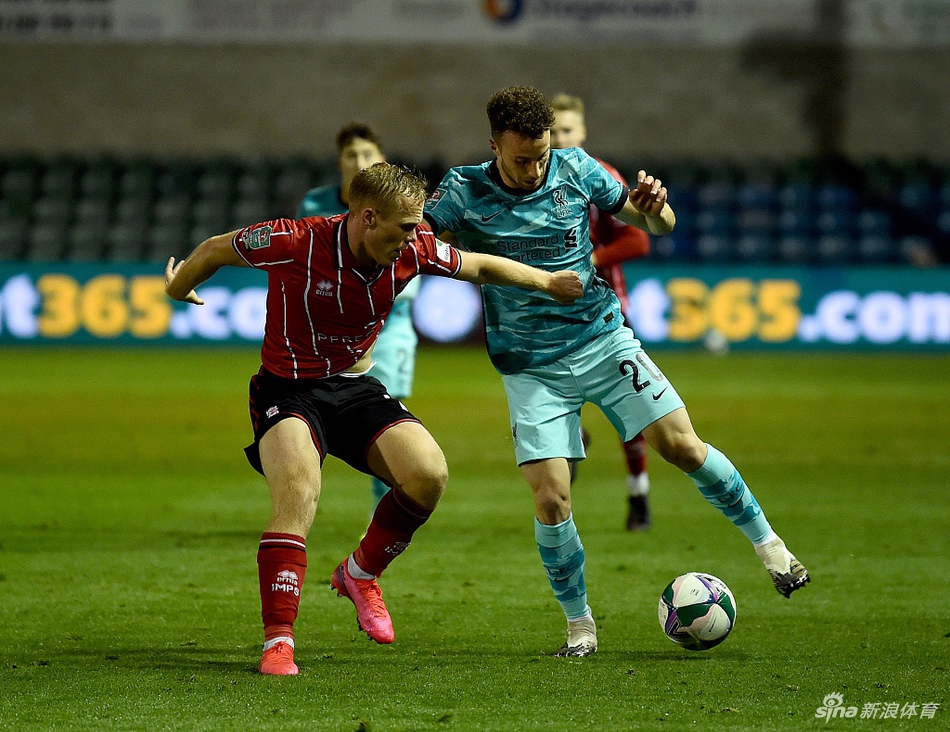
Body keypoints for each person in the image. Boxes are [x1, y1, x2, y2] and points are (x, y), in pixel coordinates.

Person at [423, 85, 810, 658]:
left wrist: (657, 209)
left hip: (602, 339)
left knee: (681, 446)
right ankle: (581, 628)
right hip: (531, 367)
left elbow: (656, 227)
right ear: (493, 148)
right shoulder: (462, 191)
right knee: (552, 499)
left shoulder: (576, 166)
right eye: (520, 159)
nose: (534, 169)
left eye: (541, 154)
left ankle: (772, 548)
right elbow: (416, 249)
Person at [165, 162, 583, 675]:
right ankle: (279, 641)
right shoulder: (295, 240)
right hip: (288, 390)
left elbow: (479, 266)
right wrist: (177, 287)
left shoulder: (415, 249)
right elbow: (213, 249)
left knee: (428, 475)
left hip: (355, 387)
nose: (416, 236)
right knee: (298, 492)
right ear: (367, 218)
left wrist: (547, 281)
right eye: (406, 226)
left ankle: (359, 574)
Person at [298, 122, 420, 515]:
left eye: (368, 154)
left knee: (385, 419)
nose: (360, 162)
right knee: (308, 416)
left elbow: (411, 263)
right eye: (352, 155)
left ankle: (382, 515)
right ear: (340, 161)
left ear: (381, 159)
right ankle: (300, 498)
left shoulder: (399, 206)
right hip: (328, 332)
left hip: (389, 326)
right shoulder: (315, 205)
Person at [549, 93, 653, 531]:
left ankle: (638, 494)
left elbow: (639, 240)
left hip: (607, 313)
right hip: (551, 315)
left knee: (631, 414)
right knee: (551, 403)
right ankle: (571, 442)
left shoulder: (600, 176)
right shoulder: (530, 179)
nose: (559, 139)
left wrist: (589, 260)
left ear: (583, 133)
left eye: (567, 130)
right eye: (552, 131)